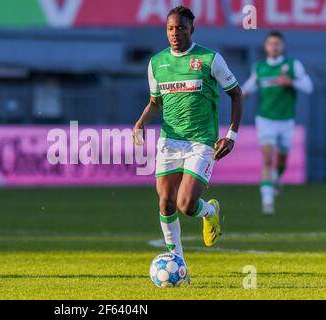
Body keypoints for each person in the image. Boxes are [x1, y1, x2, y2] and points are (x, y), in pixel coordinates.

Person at [133, 6, 244, 282]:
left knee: (185, 203)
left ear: (191, 29)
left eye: (181, 28)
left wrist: (231, 135)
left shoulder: (209, 59)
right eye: (170, 28)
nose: (175, 33)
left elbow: (236, 94)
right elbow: (156, 102)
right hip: (169, 141)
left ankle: (210, 211)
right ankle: (179, 263)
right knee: (166, 203)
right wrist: (140, 122)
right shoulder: (157, 63)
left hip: (201, 142)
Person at [242, 31, 313, 215]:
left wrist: (291, 82)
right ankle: (267, 200)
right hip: (265, 120)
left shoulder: (292, 65)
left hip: (286, 121)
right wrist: (243, 93)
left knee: (282, 161)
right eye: (271, 44)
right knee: (267, 158)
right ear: (266, 47)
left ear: (282, 46)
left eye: (277, 44)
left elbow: (308, 86)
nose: (274, 47)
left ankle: (278, 178)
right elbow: (251, 84)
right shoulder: (260, 67)